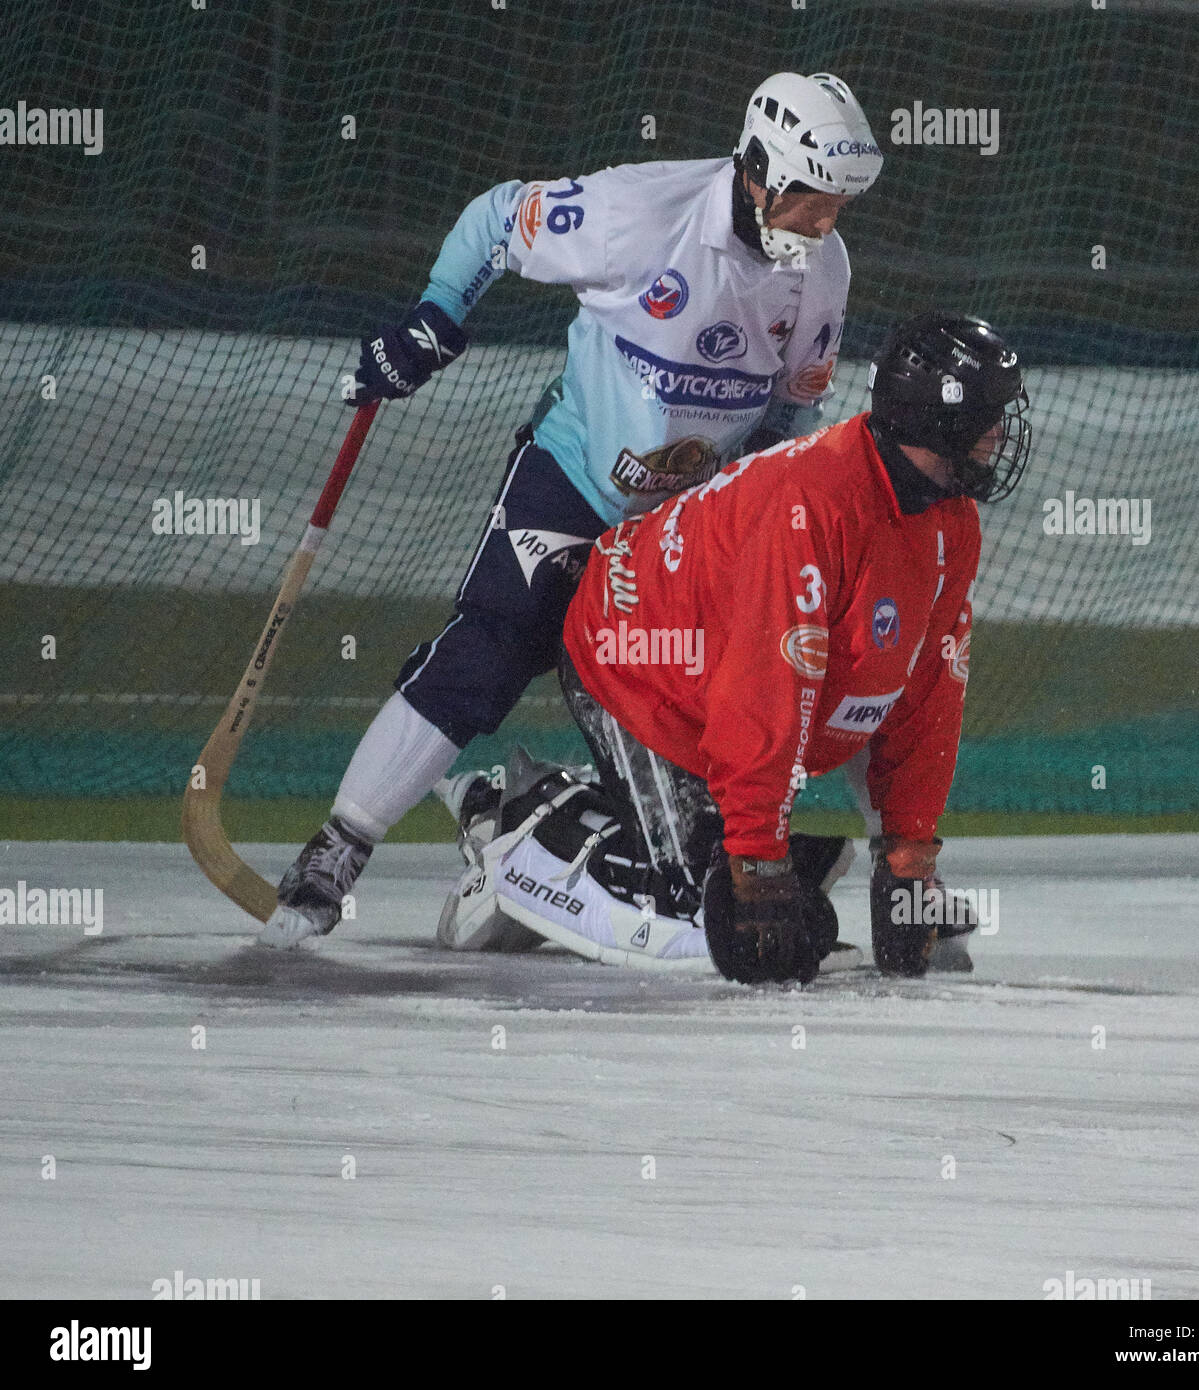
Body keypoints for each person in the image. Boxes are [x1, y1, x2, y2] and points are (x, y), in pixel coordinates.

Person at [261, 72, 885, 949]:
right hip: (577, 481)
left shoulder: (824, 270)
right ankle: (340, 845)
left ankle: (549, 817)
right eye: (813, 201)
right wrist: (435, 320)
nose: (826, 224)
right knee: (493, 646)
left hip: (686, 523)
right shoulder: (638, 213)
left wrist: (750, 505)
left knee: (722, 675)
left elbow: (790, 410)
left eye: (839, 206)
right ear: (758, 170)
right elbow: (498, 217)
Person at [441, 311, 1032, 984]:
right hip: (636, 661)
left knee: (747, 872)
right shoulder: (810, 504)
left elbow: (927, 696)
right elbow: (767, 689)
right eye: (989, 417)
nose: (1000, 435)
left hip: (717, 684)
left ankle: (608, 816)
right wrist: (755, 861)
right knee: (691, 904)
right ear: (939, 424)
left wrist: (908, 861)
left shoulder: (950, 520)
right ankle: (529, 824)